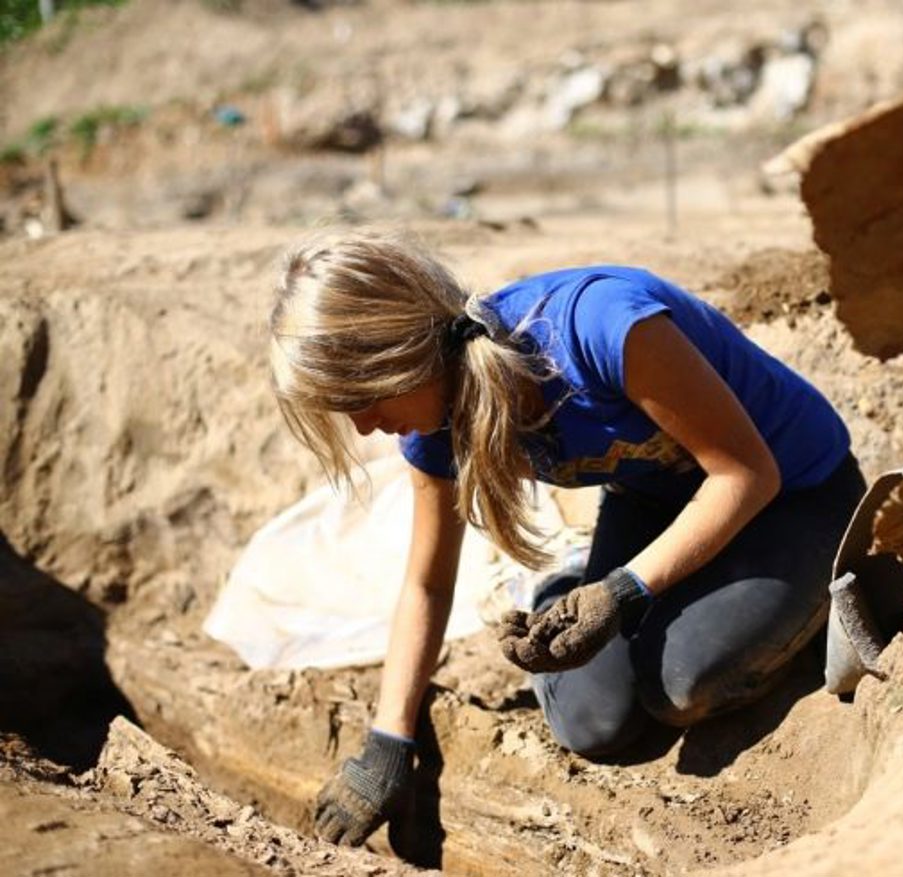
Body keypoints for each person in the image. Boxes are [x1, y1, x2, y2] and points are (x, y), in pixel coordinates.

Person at [268, 228, 865, 847]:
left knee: (682, 685)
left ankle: (816, 581)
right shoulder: (430, 428)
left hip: (796, 492)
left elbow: (747, 474)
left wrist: (625, 590)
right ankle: (566, 582)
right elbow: (427, 583)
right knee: (592, 720)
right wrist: (388, 743)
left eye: (360, 399)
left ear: (397, 354)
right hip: (654, 503)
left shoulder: (602, 328)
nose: (364, 428)